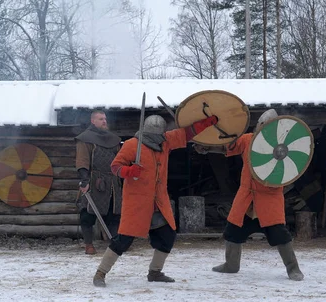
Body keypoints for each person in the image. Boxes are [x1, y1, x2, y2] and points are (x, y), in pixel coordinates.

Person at [92, 114, 219, 287]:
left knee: (167, 236)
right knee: (123, 240)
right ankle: (100, 273)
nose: (160, 139)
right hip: (137, 202)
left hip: (158, 201)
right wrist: (129, 172)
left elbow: (187, 133)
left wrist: (207, 122)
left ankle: (155, 272)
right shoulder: (132, 145)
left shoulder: (165, 141)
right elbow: (115, 166)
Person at [194, 109, 304, 281]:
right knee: (233, 230)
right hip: (247, 196)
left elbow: (290, 169)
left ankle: (293, 268)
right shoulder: (248, 140)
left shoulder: (283, 147)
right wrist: (207, 148)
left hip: (269, 197)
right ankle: (231, 265)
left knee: (279, 234)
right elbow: (227, 147)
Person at [75, 110, 122, 255]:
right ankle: (89, 244)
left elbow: (120, 160)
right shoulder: (85, 139)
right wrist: (84, 180)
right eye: (101, 119)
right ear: (93, 121)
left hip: (113, 182)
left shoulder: (113, 139)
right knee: (88, 214)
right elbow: (82, 160)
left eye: (105, 119)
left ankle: (115, 243)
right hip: (93, 181)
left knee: (113, 213)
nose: (104, 121)